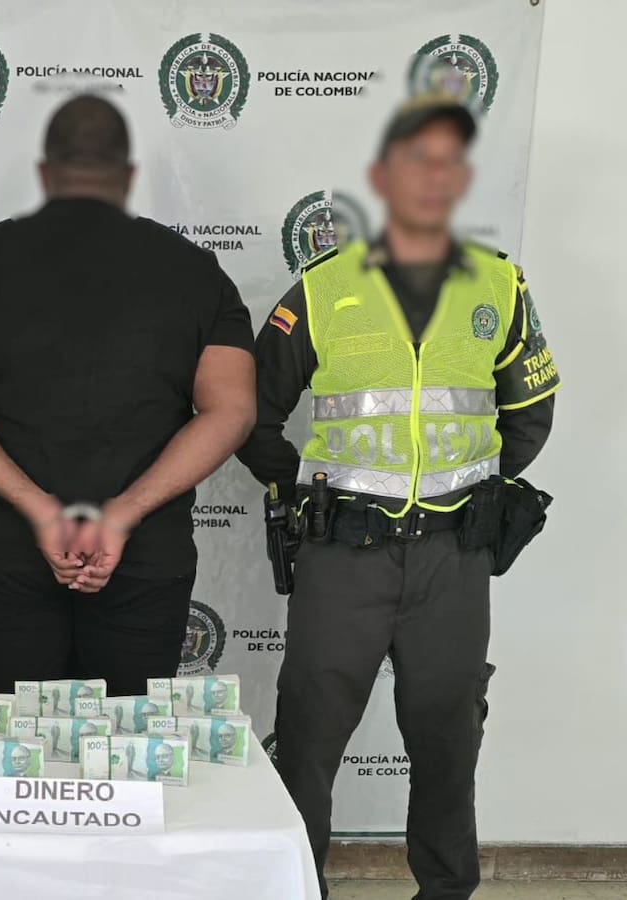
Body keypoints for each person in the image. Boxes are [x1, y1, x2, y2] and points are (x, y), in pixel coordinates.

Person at [236, 94, 560, 900]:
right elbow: (251, 412)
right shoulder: (322, 288)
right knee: (308, 736)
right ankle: (295, 887)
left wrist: (476, 490)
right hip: (343, 554)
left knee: (449, 736)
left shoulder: (500, 284)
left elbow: (529, 413)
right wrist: (302, 491)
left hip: (453, 555)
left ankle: (446, 890)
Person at [0, 94, 256, 697]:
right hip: (144, 550)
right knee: (133, 744)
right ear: (128, 174)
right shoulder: (196, 271)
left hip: (9, 547)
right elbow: (232, 409)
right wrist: (123, 514)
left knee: (20, 742)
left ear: (45, 172)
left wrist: (39, 509)